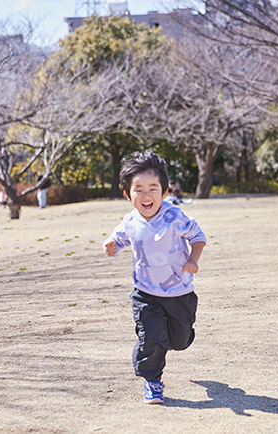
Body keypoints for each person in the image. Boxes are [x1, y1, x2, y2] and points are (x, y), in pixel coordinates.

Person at [102, 151, 206, 405]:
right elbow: (118, 239)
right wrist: (111, 245)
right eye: (138, 190)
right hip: (145, 292)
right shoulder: (130, 221)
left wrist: (193, 260)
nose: (146, 195)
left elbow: (198, 236)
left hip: (178, 292)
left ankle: (174, 337)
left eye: (153, 188)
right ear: (128, 194)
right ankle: (153, 381)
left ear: (165, 191)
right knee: (150, 338)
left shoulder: (174, 216)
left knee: (179, 340)